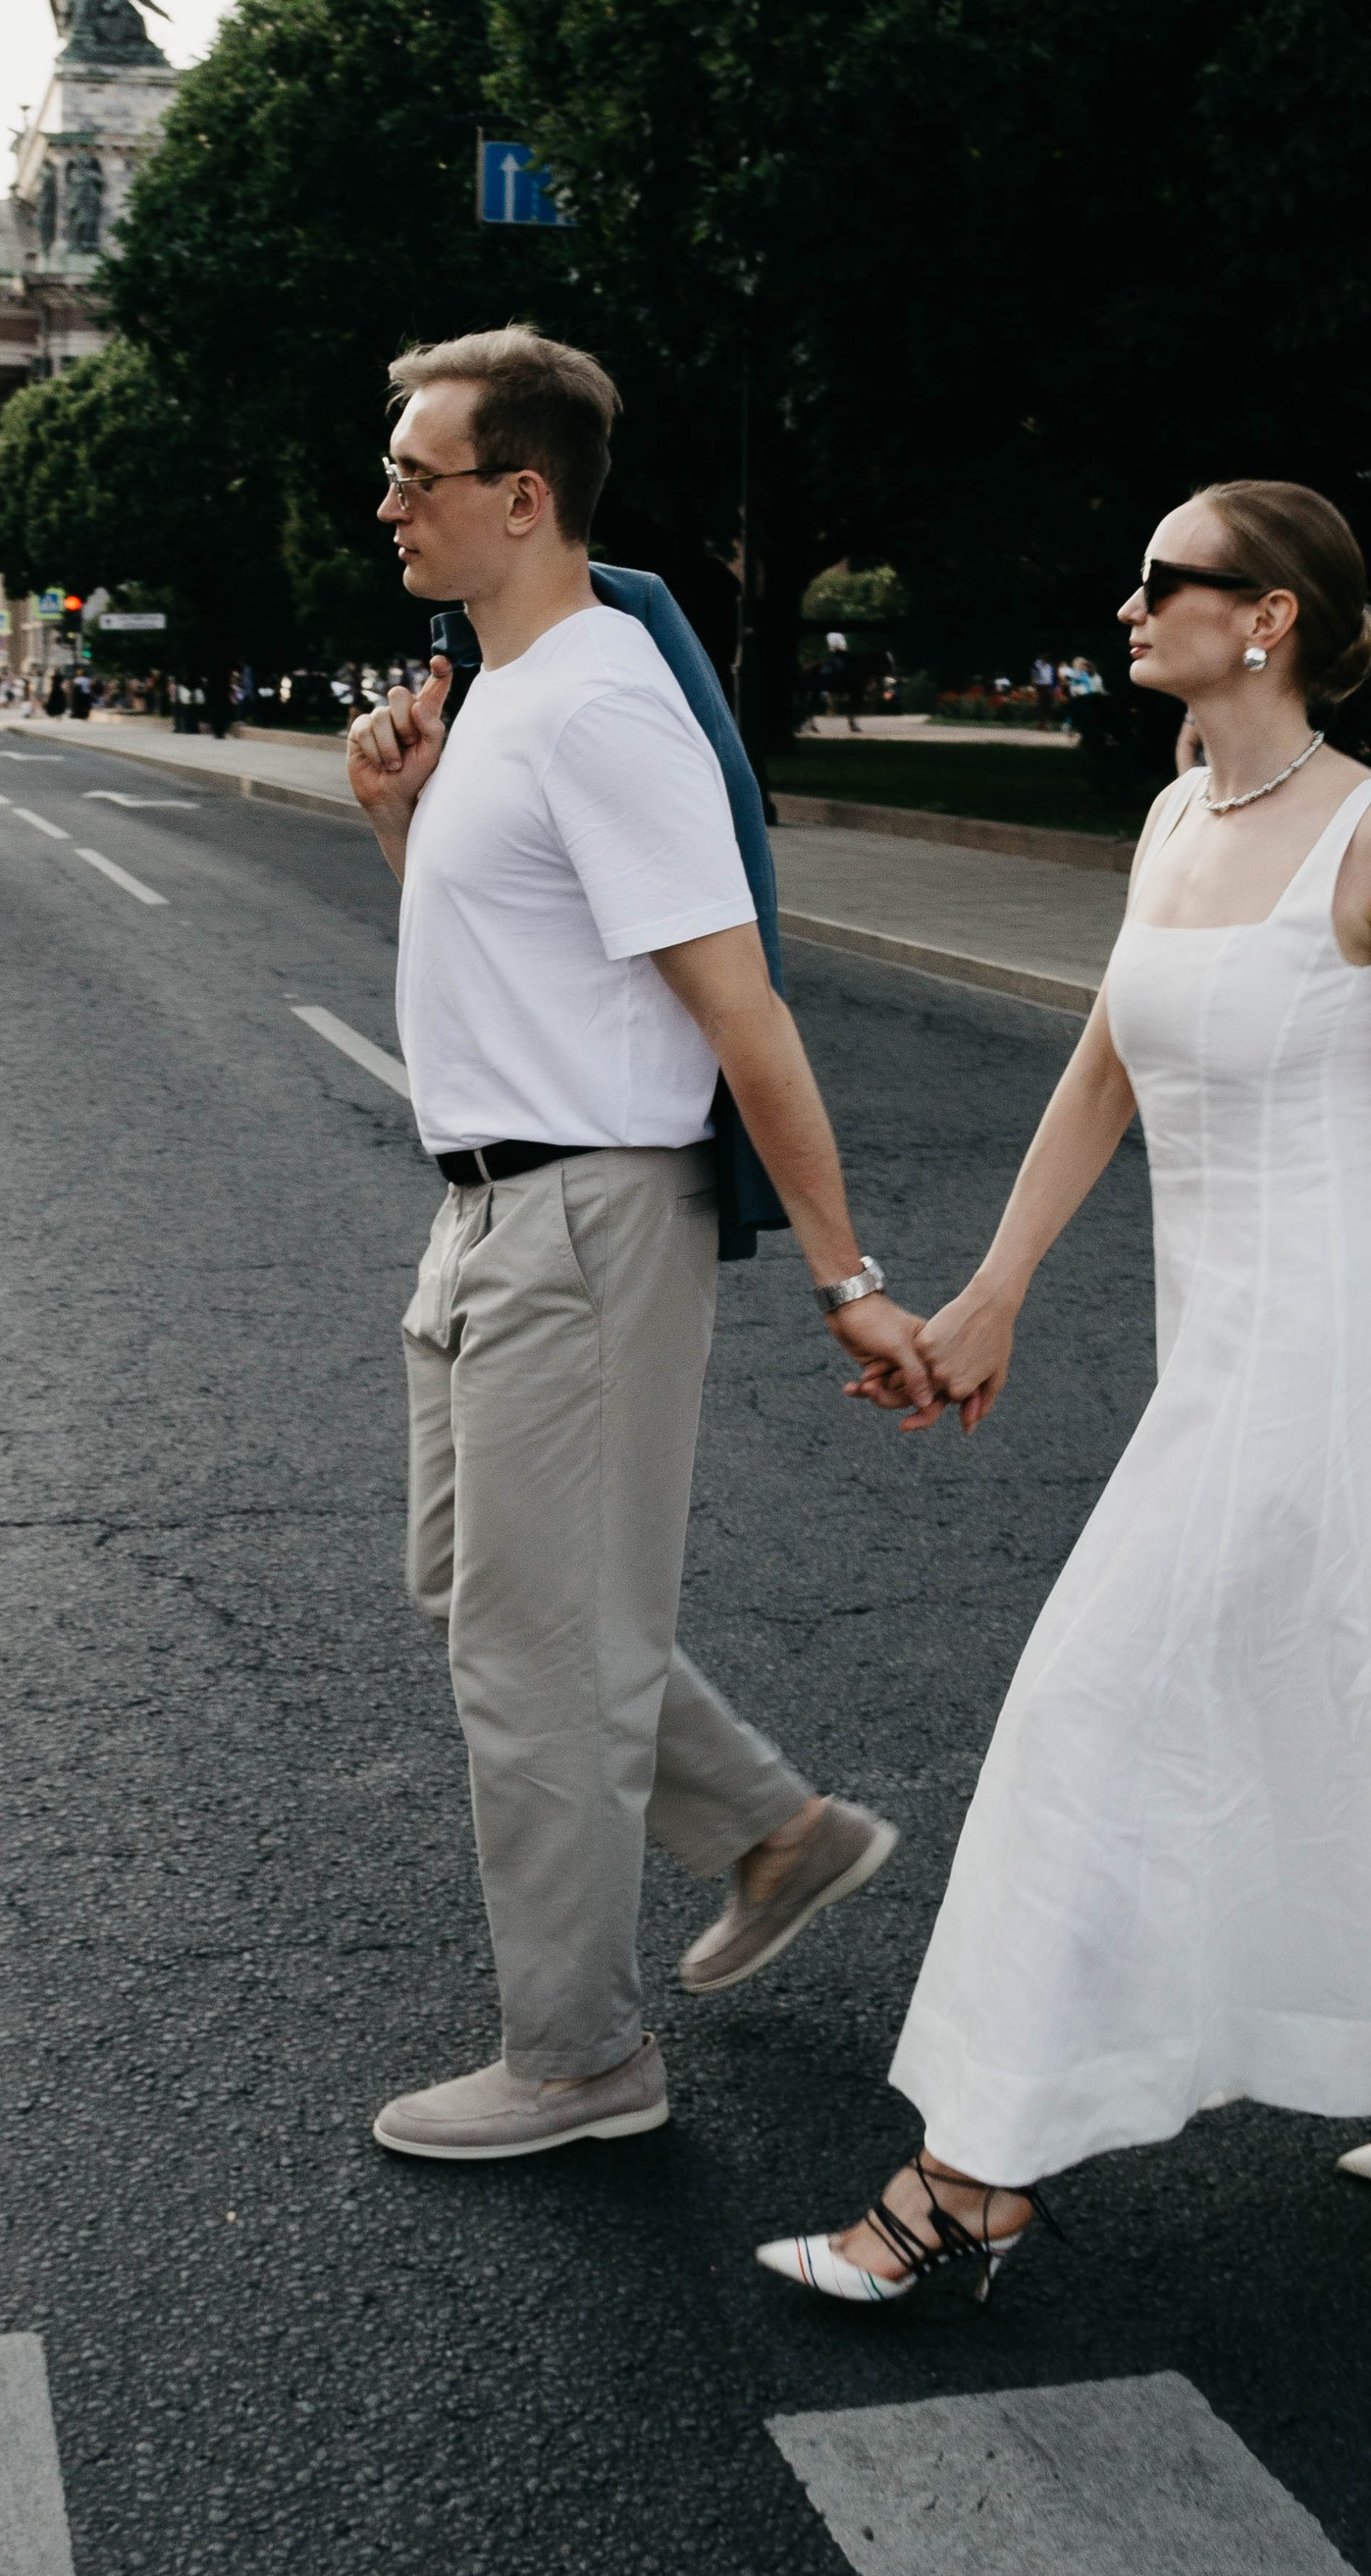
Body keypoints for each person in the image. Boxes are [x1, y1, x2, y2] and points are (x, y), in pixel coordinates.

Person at [759, 478, 1371, 2305]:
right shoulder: (1176, 812)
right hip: (1216, 1358)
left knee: (1096, 1713)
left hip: (1317, 1364)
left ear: (1275, 621)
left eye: (1171, 580)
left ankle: (969, 2184)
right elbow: (1107, 1068)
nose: (1131, 603)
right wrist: (998, 1287)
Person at [345, 326, 934, 2168]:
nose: (388, 509)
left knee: (544, 1660)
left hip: (586, 1222)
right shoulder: (501, 692)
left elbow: (745, 1014)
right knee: (479, 1597)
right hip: (491, 1212)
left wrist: (846, 1280)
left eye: (416, 478)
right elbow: (508, 965)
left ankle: (581, 2057)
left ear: (523, 497)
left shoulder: (600, 702)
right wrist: (398, 822)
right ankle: (775, 1829)